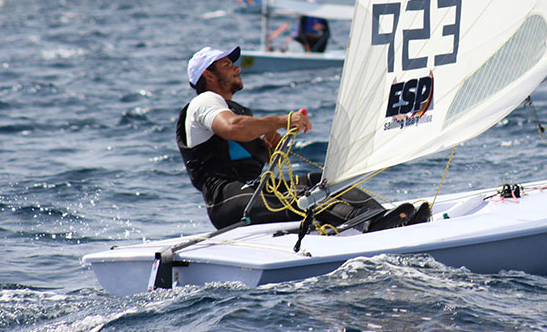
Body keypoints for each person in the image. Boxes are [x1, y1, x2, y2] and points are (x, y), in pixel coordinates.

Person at [176, 45, 429, 231]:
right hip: (227, 201)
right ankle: (372, 224)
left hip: (254, 190)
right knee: (307, 198)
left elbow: (255, 153)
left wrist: (270, 147)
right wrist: (282, 120)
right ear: (208, 75)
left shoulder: (239, 110)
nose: (237, 68)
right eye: (227, 65)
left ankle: (383, 217)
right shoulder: (204, 102)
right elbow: (232, 128)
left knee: (322, 182)